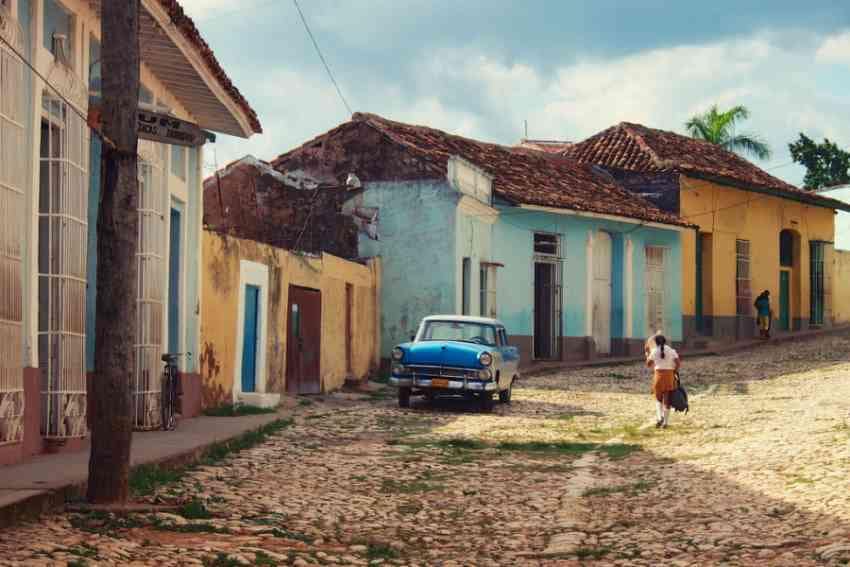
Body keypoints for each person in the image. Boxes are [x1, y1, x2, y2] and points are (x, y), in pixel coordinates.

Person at [645, 334, 680, 428]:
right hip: (669, 376)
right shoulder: (671, 350)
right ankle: (666, 423)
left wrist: (647, 354)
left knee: (658, 398)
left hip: (658, 376)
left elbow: (648, 364)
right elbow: (678, 363)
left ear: (656, 342)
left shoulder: (654, 351)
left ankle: (659, 417)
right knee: (667, 399)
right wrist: (675, 371)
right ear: (665, 341)